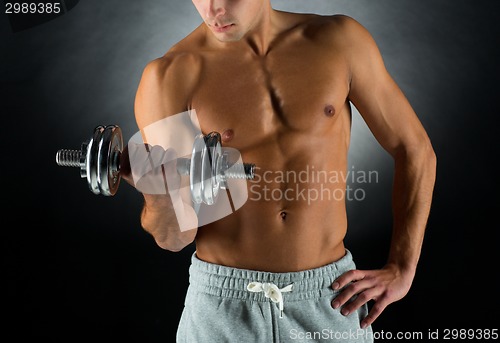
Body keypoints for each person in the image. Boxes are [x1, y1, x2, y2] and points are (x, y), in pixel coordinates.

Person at [123, 1, 437, 342]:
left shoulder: (340, 42)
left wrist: (402, 267)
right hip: (223, 308)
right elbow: (173, 238)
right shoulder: (168, 77)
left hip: (331, 299)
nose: (212, 9)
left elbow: (414, 148)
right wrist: (157, 192)